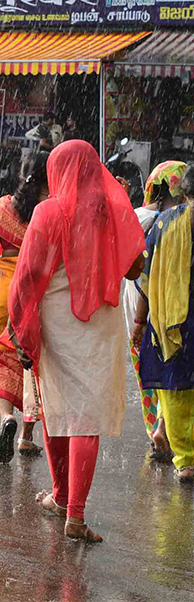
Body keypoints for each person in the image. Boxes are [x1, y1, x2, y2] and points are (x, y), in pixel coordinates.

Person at [7, 140, 146, 543]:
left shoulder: (48, 211)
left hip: (57, 320)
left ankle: (62, 495)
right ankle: (74, 513)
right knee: (87, 416)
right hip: (100, 323)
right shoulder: (109, 209)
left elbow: (29, 275)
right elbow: (136, 264)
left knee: (57, 406)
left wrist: (19, 325)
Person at [0, 152, 48, 462]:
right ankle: (26, 438)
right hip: (35, 291)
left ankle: (6, 417)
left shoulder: (3, 207)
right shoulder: (50, 212)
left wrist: (2, 274)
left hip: (3, 288)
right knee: (31, 363)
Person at [123, 161, 187, 461]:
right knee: (173, 372)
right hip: (170, 304)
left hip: (137, 303)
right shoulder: (176, 220)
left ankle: (155, 431)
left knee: (148, 372)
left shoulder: (136, 217)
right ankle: (170, 431)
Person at [134, 165, 194, 482]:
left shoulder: (165, 223)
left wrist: (139, 320)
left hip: (171, 317)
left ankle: (184, 460)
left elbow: (145, 277)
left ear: (183, 192)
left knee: (174, 387)